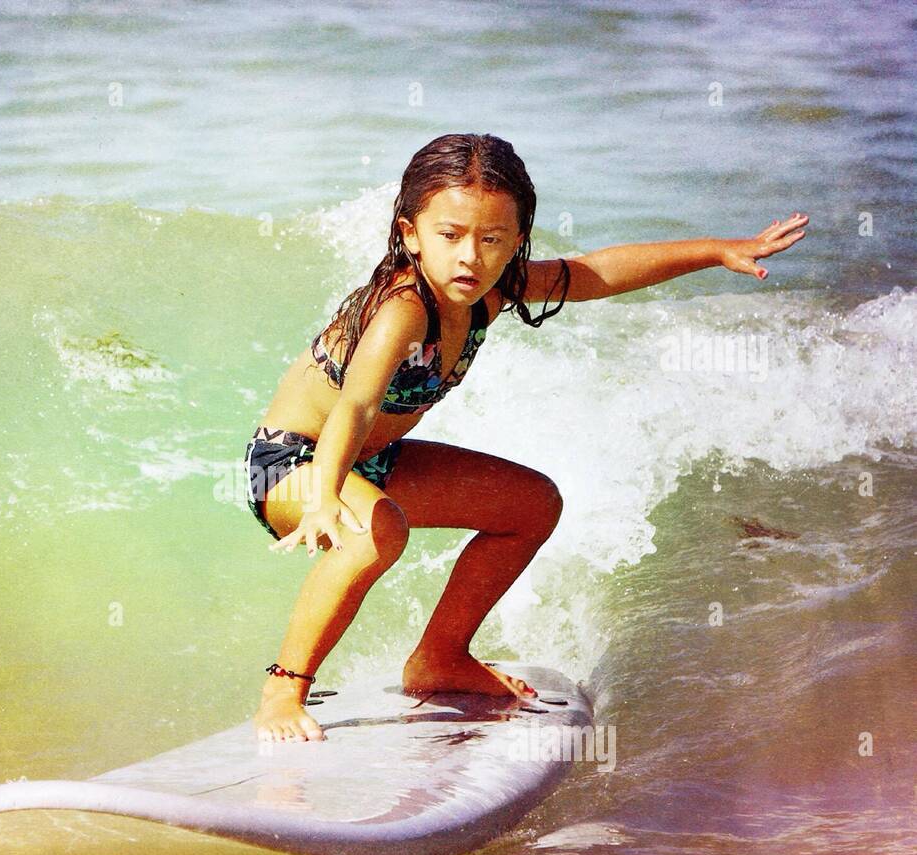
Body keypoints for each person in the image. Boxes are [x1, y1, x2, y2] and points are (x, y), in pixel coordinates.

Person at [244, 132, 808, 742]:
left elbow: (596, 274)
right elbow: (356, 404)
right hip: (292, 463)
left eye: (491, 239)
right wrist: (324, 496)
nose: (470, 257)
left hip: (370, 461)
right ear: (411, 234)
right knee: (376, 532)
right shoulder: (403, 307)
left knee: (531, 504)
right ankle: (284, 690)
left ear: (516, 241)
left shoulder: (492, 292)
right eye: (450, 235)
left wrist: (716, 251)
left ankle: (440, 657)